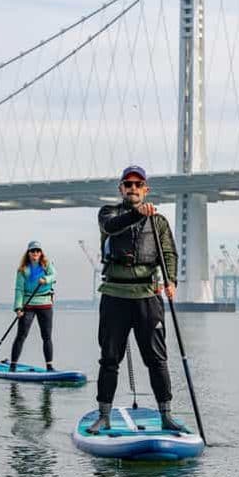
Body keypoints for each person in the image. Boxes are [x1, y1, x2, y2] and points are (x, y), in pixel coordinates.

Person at [88, 165, 186, 433]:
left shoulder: (159, 221)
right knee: (109, 358)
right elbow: (111, 227)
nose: (132, 188)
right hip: (114, 296)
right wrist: (135, 214)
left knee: (157, 359)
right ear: (121, 188)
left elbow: (168, 254)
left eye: (137, 184)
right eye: (127, 184)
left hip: (147, 297)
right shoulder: (108, 213)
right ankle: (104, 415)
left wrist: (171, 281)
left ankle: (166, 414)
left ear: (146, 189)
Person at [5, 240, 57, 372]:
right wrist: (18, 308)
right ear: (28, 253)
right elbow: (19, 289)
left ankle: (49, 367)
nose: (35, 253)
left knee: (47, 336)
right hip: (28, 305)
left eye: (38, 251)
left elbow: (54, 276)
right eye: (32, 251)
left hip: (45, 304)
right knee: (21, 335)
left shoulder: (47, 265)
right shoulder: (23, 270)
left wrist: (46, 279)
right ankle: (13, 366)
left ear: (41, 253)